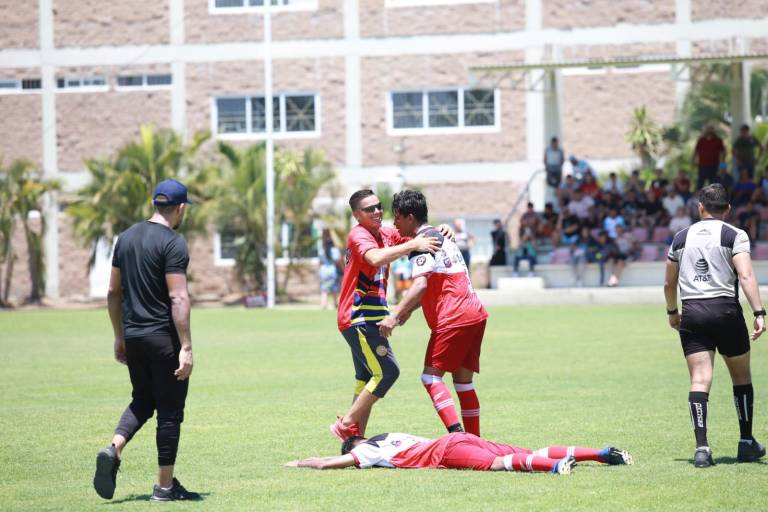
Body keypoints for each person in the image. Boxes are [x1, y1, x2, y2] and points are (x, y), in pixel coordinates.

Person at [94, 179, 200, 502]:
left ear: (156, 203)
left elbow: (113, 292)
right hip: (163, 338)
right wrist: (186, 346)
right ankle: (165, 487)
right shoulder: (173, 243)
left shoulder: (125, 239)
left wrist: (118, 336)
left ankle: (114, 449)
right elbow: (178, 297)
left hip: (135, 336)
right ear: (180, 208)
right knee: (170, 410)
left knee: (143, 399)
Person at [331, 189, 450, 441]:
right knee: (387, 372)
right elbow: (374, 258)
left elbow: (413, 231)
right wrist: (414, 244)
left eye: (378, 206)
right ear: (356, 215)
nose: (376, 212)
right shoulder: (358, 235)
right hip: (359, 317)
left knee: (365, 377)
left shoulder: (385, 233)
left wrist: (440, 229)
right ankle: (346, 425)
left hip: (371, 317)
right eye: (369, 209)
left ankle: (355, 439)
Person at [664, 183, 766, 468]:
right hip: (726, 311)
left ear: (700, 207)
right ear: (728, 209)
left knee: (699, 379)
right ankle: (746, 443)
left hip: (693, 312)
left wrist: (673, 311)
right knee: (741, 378)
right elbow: (745, 276)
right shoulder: (735, 234)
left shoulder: (681, 237)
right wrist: (759, 312)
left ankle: (702, 449)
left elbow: (668, 282)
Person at [379, 190, 488, 436]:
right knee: (463, 382)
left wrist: (394, 315)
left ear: (408, 217)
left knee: (430, 379)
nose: (395, 223)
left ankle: (458, 437)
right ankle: (475, 440)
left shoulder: (424, 243)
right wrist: (408, 310)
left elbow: (420, 285)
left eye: (396, 217)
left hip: (454, 317)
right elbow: (437, 285)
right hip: (474, 314)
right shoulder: (442, 236)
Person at [286, 431, 633, 476]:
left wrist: (302, 461)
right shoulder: (388, 435)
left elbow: (333, 463)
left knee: (499, 465)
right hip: (459, 438)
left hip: (447, 450)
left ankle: (556, 467)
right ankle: (601, 454)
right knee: (531, 450)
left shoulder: (366, 452)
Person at [693, 125, 725, 190]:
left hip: (714, 165)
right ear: (705, 130)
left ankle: (713, 199)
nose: (709, 131)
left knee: (713, 184)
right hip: (702, 165)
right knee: (700, 183)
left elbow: (723, 153)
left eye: (711, 129)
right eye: (707, 129)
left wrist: (722, 166)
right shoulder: (701, 140)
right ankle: (698, 198)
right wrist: (694, 161)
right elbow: (696, 151)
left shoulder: (718, 140)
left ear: (713, 130)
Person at [318, 228, 342, 310]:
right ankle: (335, 303)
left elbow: (320, 261)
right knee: (334, 288)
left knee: (324, 289)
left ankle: (323, 304)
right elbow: (338, 260)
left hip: (323, 270)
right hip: (332, 270)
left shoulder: (322, 250)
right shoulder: (334, 250)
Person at [544, 136, 565, 205]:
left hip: (557, 168)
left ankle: (557, 192)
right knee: (550, 182)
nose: (554, 145)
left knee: (558, 183)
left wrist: (559, 166)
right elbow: (545, 158)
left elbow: (562, 159)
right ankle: (553, 191)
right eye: (553, 143)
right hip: (550, 167)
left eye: (555, 143)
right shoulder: (548, 150)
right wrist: (546, 166)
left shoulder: (560, 151)